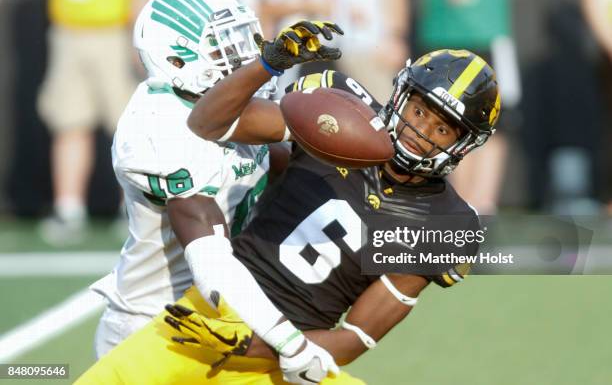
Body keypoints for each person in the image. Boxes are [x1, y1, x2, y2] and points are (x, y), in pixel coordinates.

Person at [76, 26, 500, 384]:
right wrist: (268, 63)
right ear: (401, 93)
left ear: (464, 145)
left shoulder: (446, 225)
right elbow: (208, 123)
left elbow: (353, 340)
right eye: (420, 109)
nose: (420, 129)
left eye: (442, 127)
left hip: (293, 358)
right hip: (211, 316)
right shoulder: (339, 111)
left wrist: (259, 344)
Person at [89, 0, 295, 361]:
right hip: (150, 329)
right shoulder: (157, 128)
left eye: (244, 41)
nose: (245, 58)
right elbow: (212, 265)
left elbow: (294, 154)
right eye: (224, 47)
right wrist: (289, 342)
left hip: (219, 320)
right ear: (177, 60)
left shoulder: (230, 111)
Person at [37, 0, 175, 244]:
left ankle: (134, 208)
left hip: (116, 32)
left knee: (131, 126)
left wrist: (139, 36)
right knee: (69, 123)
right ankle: (68, 207)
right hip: (69, 31)